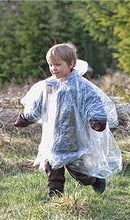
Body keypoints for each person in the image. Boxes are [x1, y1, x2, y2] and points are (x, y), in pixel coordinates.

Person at [14, 42, 122, 201]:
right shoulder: (49, 85)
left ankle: (93, 179)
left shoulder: (81, 86)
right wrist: (25, 117)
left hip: (73, 139)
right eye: (51, 65)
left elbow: (93, 102)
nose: (53, 69)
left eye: (58, 64)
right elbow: (38, 105)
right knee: (52, 169)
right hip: (53, 139)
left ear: (71, 64)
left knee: (79, 172)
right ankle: (55, 197)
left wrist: (97, 119)